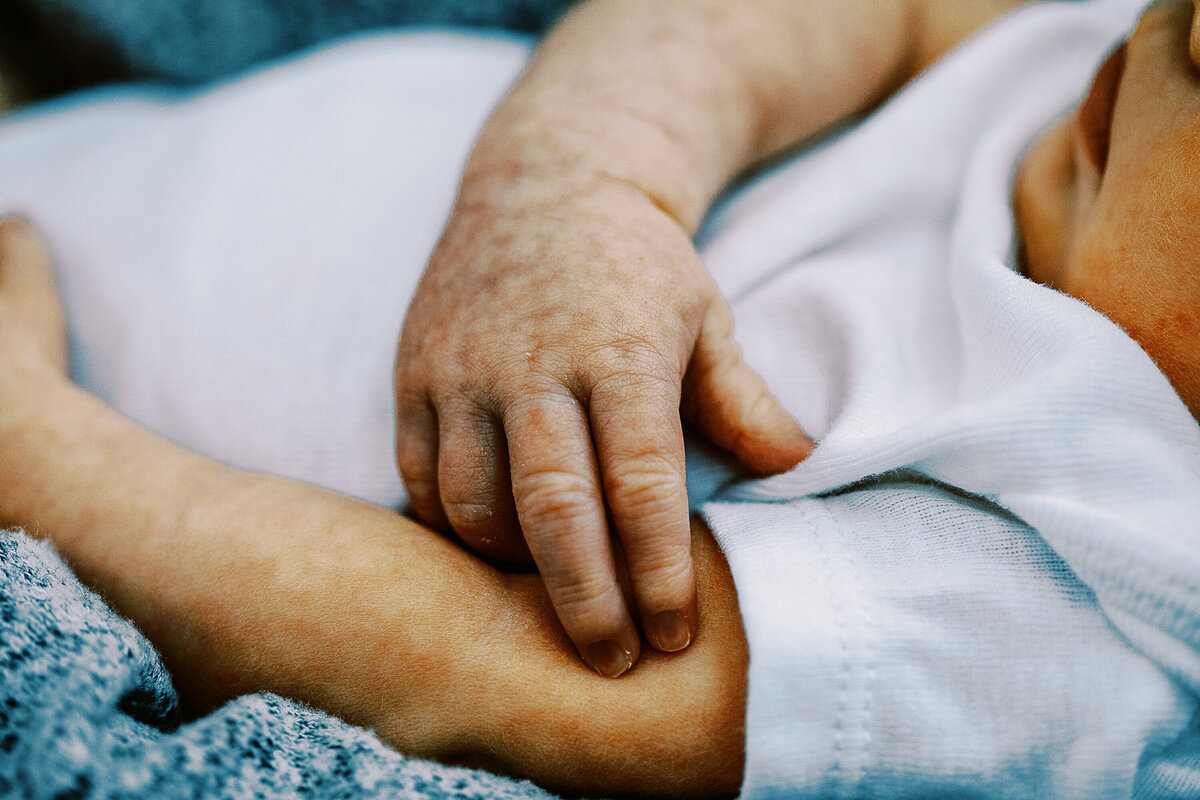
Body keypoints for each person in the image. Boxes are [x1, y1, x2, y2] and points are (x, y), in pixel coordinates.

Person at [1, 0, 1198, 797]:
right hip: (90, 156)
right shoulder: (1089, 54)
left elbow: (476, 664)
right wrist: (584, 172)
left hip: (87, 428)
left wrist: (39, 456)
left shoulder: (1101, 607)